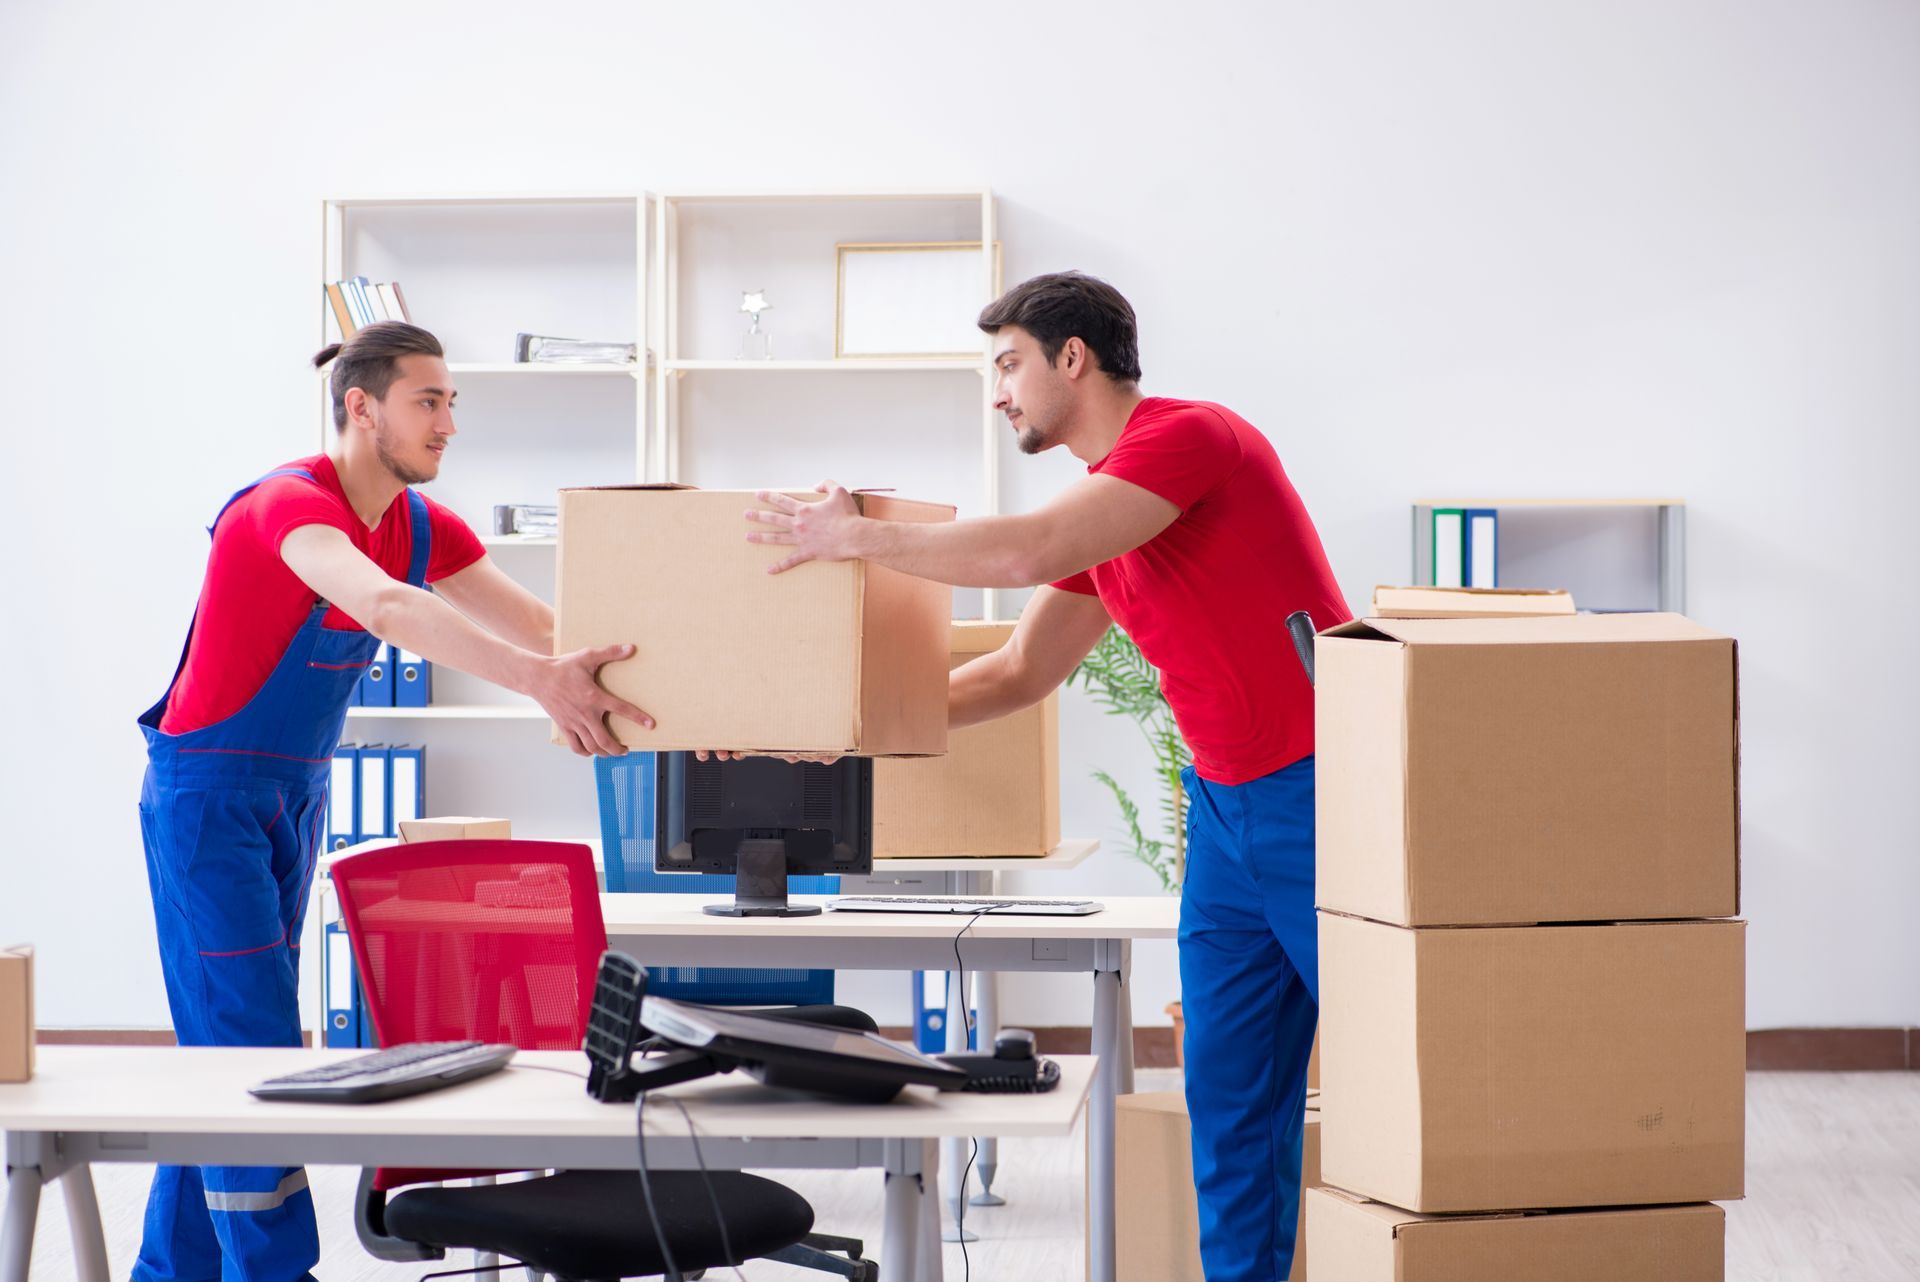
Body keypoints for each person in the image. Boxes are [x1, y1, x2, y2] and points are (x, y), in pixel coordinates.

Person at [741, 272, 1349, 1281]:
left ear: (1075, 358)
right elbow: (1020, 671)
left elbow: (1028, 549)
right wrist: (846, 731)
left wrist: (852, 536)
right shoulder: (1106, 518)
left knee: (1390, 1075)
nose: (999, 391)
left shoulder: (1189, 439)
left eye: (1009, 363)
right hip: (1228, 812)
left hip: (1320, 790)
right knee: (1233, 1102)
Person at [133, 320, 648, 1282]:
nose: (449, 423)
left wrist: (668, 696)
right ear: (360, 407)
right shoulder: (285, 508)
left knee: (223, 1039)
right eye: (429, 401)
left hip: (294, 791)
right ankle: (276, 1273)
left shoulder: (416, 523)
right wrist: (541, 682)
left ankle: (172, 1273)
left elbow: (542, 623)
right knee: (249, 1044)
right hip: (210, 799)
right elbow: (389, 609)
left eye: (452, 402)